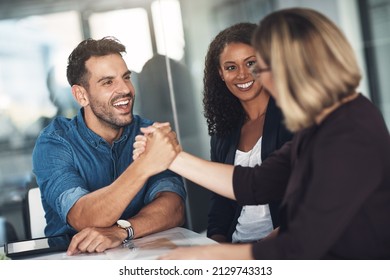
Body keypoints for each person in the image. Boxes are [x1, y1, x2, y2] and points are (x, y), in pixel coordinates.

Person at [133, 8, 390, 259]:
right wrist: (170, 156)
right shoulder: (320, 124)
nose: (260, 80)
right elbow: (255, 183)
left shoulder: (349, 132)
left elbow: (299, 246)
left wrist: (211, 255)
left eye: (262, 69)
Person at [32, 37, 186, 255]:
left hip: (142, 256)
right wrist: (144, 165)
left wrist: (122, 231)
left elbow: (175, 207)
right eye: (108, 82)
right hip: (73, 262)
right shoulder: (55, 142)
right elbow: (84, 217)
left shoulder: (148, 132)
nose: (125, 89)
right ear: (81, 95)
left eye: (126, 78)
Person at [202, 22, 292, 243]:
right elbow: (220, 201)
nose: (242, 75)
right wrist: (220, 244)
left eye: (251, 63)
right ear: (221, 74)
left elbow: (309, 197)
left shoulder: (294, 117)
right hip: (237, 245)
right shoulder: (223, 131)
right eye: (231, 67)